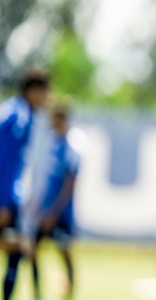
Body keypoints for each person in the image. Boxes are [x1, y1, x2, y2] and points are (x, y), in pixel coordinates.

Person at [0, 67, 50, 299]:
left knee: (19, 249)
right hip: (5, 196)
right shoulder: (17, 118)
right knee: (17, 248)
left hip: (11, 195)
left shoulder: (20, 113)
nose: (47, 97)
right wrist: (3, 202)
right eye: (45, 91)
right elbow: (3, 161)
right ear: (33, 91)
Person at [29, 98, 81, 300]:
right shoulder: (49, 142)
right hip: (44, 210)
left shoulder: (73, 146)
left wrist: (54, 211)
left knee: (64, 251)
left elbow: (70, 183)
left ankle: (70, 293)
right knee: (32, 250)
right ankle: (37, 293)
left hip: (61, 212)